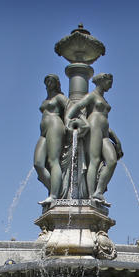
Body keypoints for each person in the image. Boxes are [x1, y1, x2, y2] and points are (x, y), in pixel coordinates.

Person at [66, 73, 123, 203]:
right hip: (94, 126)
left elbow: (105, 122)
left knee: (112, 161)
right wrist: (68, 119)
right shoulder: (92, 96)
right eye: (109, 82)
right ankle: (91, 196)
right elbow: (76, 106)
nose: (111, 85)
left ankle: (99, 191)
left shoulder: (103, 99)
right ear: (101, 81)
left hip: (104, 131)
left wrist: (117, 140)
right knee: (95, 160)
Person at [33, 74, 69, 205]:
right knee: (38, 163)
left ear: (57, 83)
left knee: (53, 160)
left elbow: (71, 108)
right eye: (47, 81)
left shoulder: (59, 97)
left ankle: (54, 195)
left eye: (51, 81)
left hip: (55, 125)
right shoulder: (46, 99)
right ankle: (56, 189)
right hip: (43, 131)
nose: (48, 83)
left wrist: (72, 122)